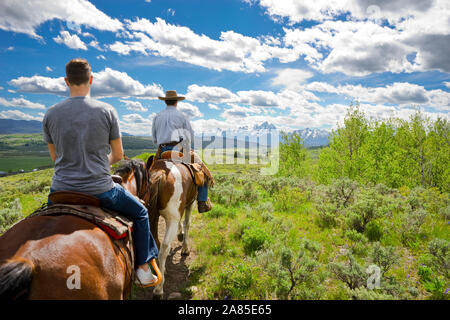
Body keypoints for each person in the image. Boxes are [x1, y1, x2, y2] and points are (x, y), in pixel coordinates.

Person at [43, 58, 158, 287]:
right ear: (91, 80)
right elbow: (117, 154)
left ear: (66, 81)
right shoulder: (107, 110)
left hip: (60, 189)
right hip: (100, 189)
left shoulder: (50, 114)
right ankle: (143, 268)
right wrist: (98, 164)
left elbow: (56, 158)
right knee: (141, 213)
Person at [152, 90, 212, 213]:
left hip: (162, 150)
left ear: (165, 101)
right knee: (202, 171)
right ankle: (202, 202)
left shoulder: (157, 116)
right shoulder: (182, 116)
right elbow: (189, 136)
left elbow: (154, 138)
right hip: (179, 150)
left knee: (149, 171)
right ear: (176, 102)